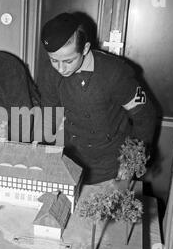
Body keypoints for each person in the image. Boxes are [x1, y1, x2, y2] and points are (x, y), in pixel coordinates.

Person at [37, 13, 157, 185]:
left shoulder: (114, 73)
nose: (61, 69)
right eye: (54, 60)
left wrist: (130, 162)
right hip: (71, 160)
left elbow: (145, 115)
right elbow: (49, 116)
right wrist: (44, 155)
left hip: (112, 164)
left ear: (85, 49)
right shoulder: (50, 72)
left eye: (69, 61)